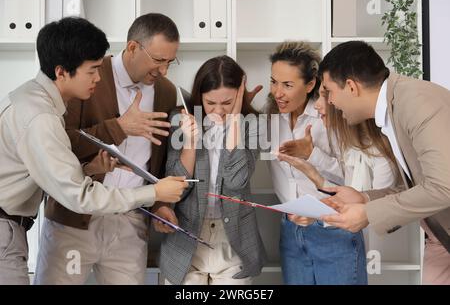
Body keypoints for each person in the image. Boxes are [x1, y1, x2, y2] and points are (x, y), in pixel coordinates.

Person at [0, 17, 186, 285]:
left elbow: (53, 166)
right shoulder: (44, 114)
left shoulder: (35, 98)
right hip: (65, 220)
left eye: (171, 61)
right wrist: (119, 129)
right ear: (62, 71)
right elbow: (77, 192)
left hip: (127, 221)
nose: (97, 78)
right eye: (92, 71)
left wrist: (157, 201)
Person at [318, 40, 450, 285]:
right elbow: (421, 187)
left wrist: (368, 213)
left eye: (329, 91)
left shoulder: (417, 103)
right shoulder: (394, 108)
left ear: (351, 86)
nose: (330, 102)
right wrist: (365, 198)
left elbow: (443, 187)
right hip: (440, 241)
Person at [154, 55, 267, 285]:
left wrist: (235, 121)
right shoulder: (181, 119)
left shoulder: (253, 123)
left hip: (233, 240)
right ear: (199, 96)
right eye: (210, 103)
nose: (218, 111)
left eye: (227, 103)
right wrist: (190, 144)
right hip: (186, 237)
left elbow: (237, 181)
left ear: (239, 94)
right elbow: (176, 188)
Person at [265, 41, 366, 285]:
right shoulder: (268, 118)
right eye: (274, 82)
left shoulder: (331, 117)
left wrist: (312, 154)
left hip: (333, 230)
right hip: (291, 232)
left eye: (287, 85)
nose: (278, 92)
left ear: (310, 84)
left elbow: (354, 180)